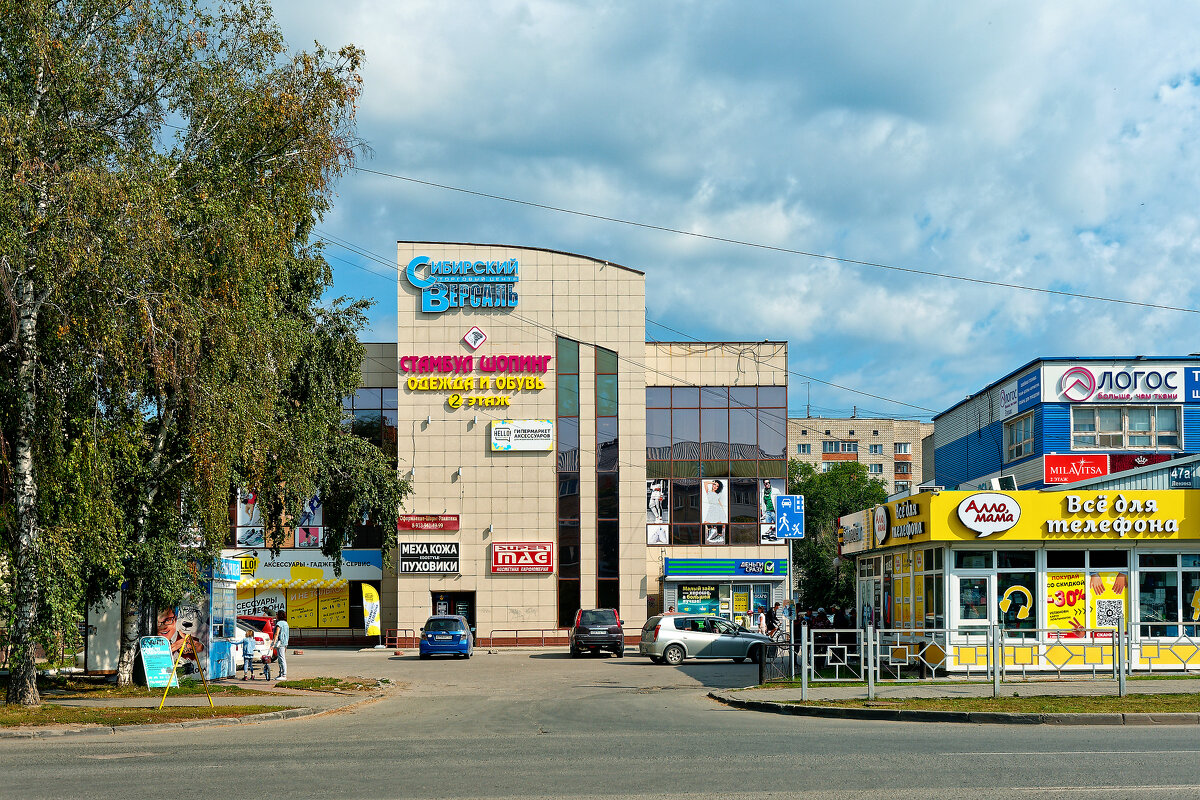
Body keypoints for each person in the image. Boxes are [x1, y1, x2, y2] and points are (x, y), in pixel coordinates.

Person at [271, 610, 290, 680]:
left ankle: (283, 675)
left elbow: (276, 633)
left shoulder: (279, 623)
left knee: (281, 659)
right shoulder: (286, 623)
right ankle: (281, 674)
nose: (276, 615)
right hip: (285, 643)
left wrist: (273, 643)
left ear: (279, 615)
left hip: (280, 643)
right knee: (281, 658)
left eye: (277, 614)